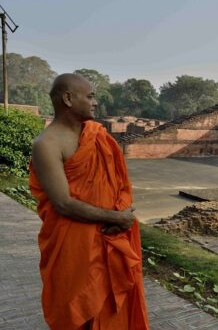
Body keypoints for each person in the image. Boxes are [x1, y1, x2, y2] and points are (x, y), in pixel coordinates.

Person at [29, 73, 149, 329]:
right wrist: (116, 217)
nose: (96, 102)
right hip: (73, 246)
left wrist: (121, 214)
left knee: (111, 309)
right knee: (78, 313)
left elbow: (117, 185)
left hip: (110, 239)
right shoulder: (47, 144)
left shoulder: (97, 136)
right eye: (91, 96)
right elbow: (63, 203)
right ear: (68, 99)